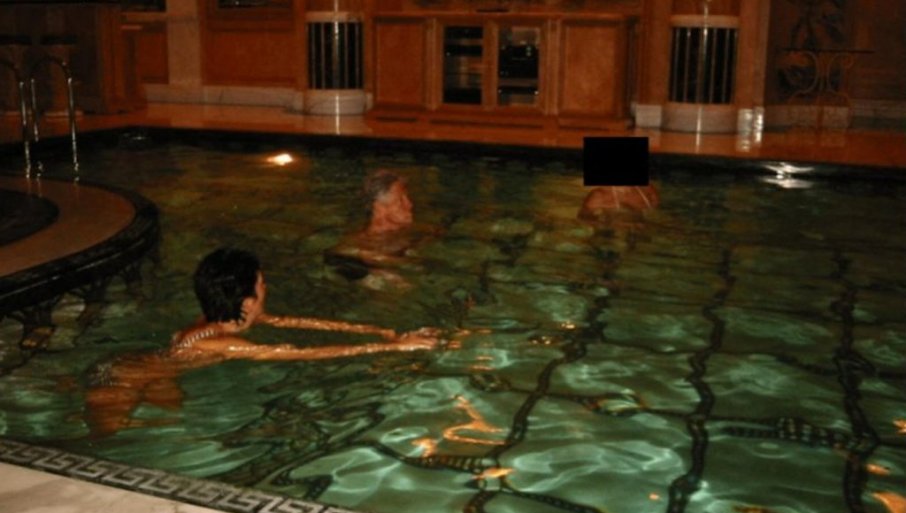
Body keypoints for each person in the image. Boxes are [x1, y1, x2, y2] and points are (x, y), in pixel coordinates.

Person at [84, 247, 441, 437]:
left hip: (157, 371)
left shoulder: (228, 318)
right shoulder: (221, 342)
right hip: (121, 377)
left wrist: (379, 331)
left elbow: (301, 323)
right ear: (247, 301)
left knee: (175, 423)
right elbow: (305, 354)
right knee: (107, 436)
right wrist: (393, 348)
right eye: (261, 284)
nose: (266, 288)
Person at [325, 170, 433, 287]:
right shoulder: (360, 243)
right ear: (379, 207)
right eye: (401, 200)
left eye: (407, 198)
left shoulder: (418, 230)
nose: (409, 204)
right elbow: (337, 255)